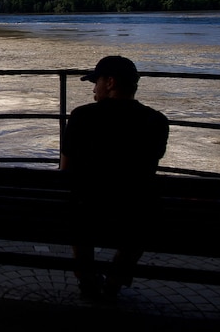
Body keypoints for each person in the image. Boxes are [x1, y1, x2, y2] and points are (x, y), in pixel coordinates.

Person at [59, 55, 169, 301]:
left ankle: (87, 279)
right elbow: (147, 170)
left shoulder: (82, 117)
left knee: (78, 203)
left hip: (86, 214)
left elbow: (64, 173)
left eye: (95, 82)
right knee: (145, 210)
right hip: (132, 217)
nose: (93, 89)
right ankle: (115, 281)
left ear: (109, 82)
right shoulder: (157, 121)